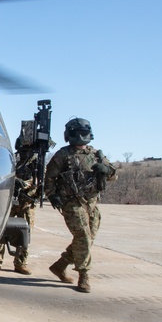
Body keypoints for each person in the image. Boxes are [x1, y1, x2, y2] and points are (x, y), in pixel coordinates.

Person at [44, 118, 117, 293]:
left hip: (91, 203)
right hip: (71, 203)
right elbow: (50, 178)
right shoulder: (62, 155)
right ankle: (84, 275)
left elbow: (113, 175)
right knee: (83, 237)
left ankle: (60, 266)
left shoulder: (96, 154)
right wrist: (52, 195)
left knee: (87, 239)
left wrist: (106, 170)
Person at [0, 136, 43, 274]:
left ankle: (20, 263)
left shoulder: (37, 164)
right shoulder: (12, 159)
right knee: (1, 230)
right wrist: (15, 181)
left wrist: (29, 186)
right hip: (10, 200)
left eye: (27, 150)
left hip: (27, 202)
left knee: (25, 233)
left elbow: (40, 181)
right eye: (22, 149)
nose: (25, 153)